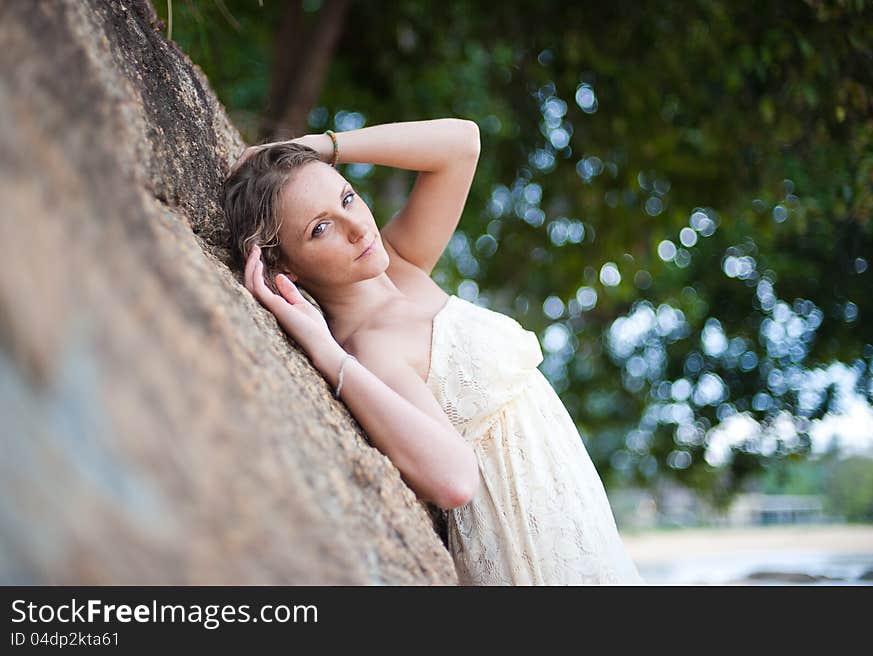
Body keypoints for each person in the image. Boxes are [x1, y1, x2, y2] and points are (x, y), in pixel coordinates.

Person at [222, 118, 644, 585]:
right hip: (530, 555)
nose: (359, 229)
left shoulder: (401, 266)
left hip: (580, 527)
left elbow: (462, 144)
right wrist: (327, 353)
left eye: (346, 198)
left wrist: (315, 147)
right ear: (284, 266)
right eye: (321, 228)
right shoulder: (370, 347)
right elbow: (455, 479)